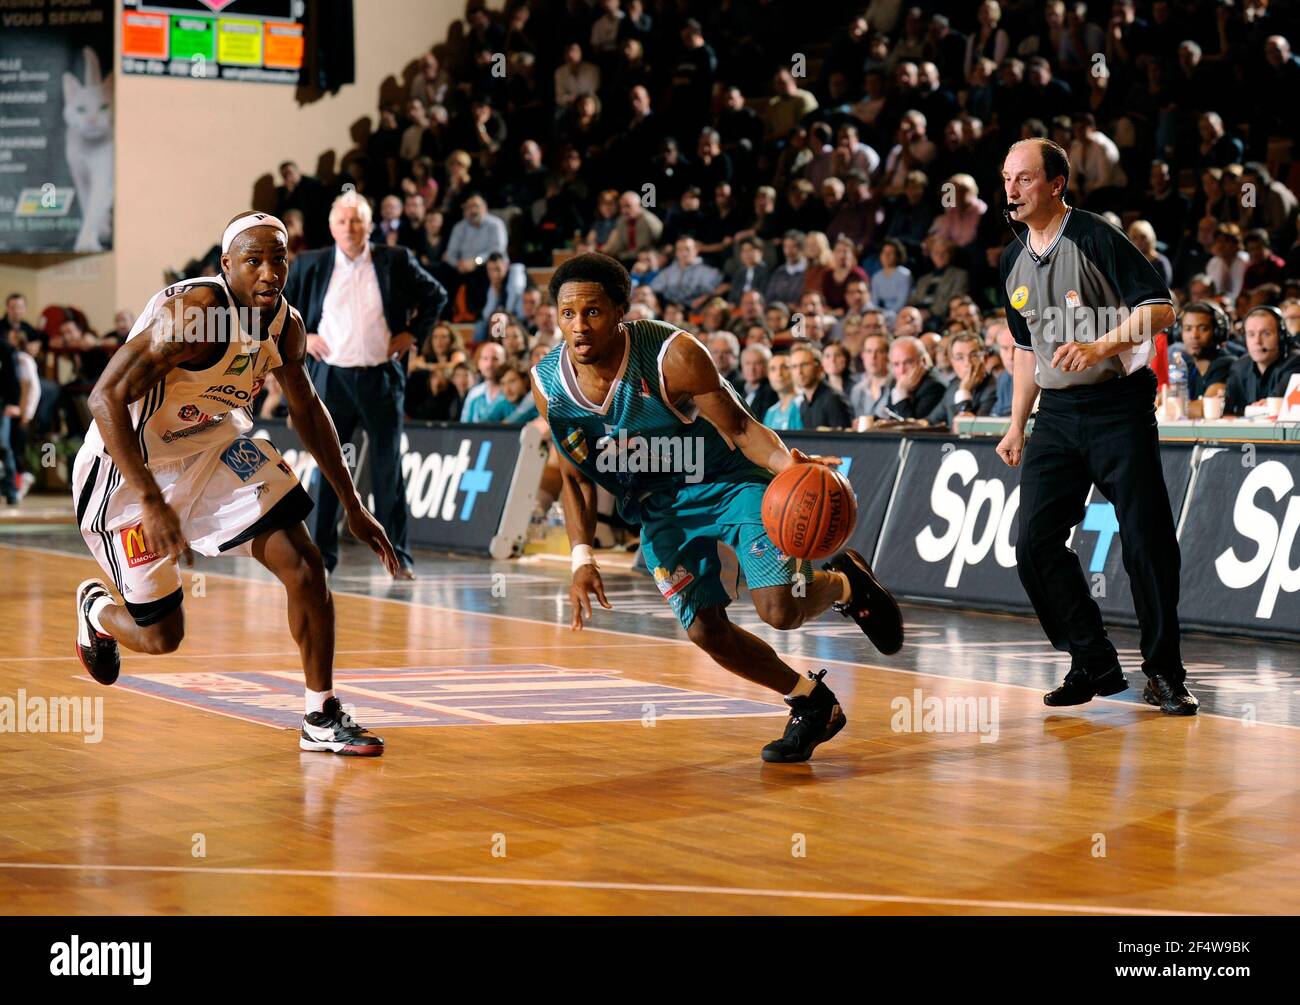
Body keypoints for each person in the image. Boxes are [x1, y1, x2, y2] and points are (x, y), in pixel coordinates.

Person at [531, 253, 902, 763]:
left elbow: (744, 430)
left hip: (729, 482)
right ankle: (812, 702)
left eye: (592, 312)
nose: (578, 327)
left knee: (780, 609)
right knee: (707, 632)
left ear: (621, 310)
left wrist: (787, 466)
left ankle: (845, 583)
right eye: (567, 314)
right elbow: (572, 475)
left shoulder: (672, 355)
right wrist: (582, 558)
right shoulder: (549, 383)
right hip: (660, 507)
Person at [71, 212, 398, 755]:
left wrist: (353, 503)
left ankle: (321, 714)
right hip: (130, 472)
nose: (269, 273)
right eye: (254, 261)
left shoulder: (285, 325)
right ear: (227, 267)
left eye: (279, 258)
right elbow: (104, 397)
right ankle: (96, 612)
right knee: (161, 637)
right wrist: (151, 500)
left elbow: (307, 409)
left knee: (304, 562)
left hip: (216, 447)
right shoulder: (195, 316)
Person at [994, 137, 1195, 715]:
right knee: (1032, 544)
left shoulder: (1095, 235)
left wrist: (1101, 343)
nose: (1011, 189)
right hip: (1055, 416)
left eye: (1024, 178)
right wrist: (1016, 424)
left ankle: (1163, 673)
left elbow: (1160, 309)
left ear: (1056, 184)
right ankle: (1091, 658)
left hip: (1117, 407)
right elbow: (1026, 347)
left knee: (1146, 541)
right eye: (1007, 178)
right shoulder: (1011, 260)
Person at [284, 192, 446, 580]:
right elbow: (280, 306)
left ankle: (399, 557)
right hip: (332, 376)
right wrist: (305, 335)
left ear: (369, 225)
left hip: (381, 377)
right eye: (343, 221)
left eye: (357, 221)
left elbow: (436, 295)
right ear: (331, 227)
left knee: (387, 467)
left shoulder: (395, 259)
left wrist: (412, 332)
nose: (350, 228)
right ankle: (323, 558)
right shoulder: (311, 263)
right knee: (328, 468)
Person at [1224, 306, 1300, 415]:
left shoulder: (1296, 362)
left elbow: (1274, 407)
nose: (1257, 341)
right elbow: (1227, 410)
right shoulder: (1239, 367)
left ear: (1281, 336)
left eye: (1266, 333)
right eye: (1251, 334)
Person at [924, 332, 997, 427]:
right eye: (960, 357)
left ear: (985, 358)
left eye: (974, 355)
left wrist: (964, 391)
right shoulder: (954, 385)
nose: (968, 363)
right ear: (952, 362)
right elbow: (931, 420)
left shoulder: (993, 388)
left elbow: (968, 428)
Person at [1172, 302, 1234, 400]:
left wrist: (1167, 406)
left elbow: (1206, 408)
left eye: (1203, 329)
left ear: (1217, 332)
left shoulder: (1225, 364)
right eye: (1188, 329)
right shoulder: (1188, 366)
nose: (1194, 336)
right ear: (1179, 333)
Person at [791, 344, 853, 429]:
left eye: (804, 365)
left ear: (820, 367)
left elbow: (846, 439)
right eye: (794, 366)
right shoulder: (803, 405)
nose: (799, 372)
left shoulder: (834, 399)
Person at [762, 353, 802, 430]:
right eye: (773, 369)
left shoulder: (803, 405)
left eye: (785, 367)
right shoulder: (771, 412)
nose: (779, 373)